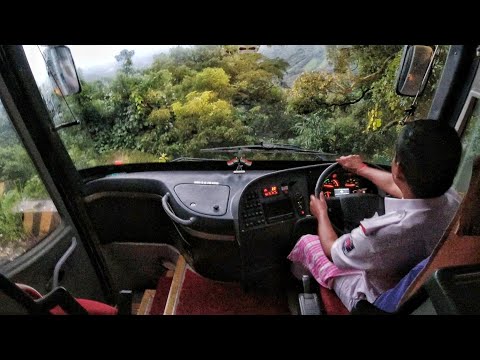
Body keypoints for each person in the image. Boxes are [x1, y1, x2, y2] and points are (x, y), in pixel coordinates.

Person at [288, 119, 462, 311]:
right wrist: (361, 169)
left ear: (399, 168)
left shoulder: (383, 233)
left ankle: (299, 286)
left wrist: (321, 214)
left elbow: (332, 251)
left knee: (307, 242)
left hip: (373, 297)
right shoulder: (454, 202)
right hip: (410, 291)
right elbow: (398, 186)